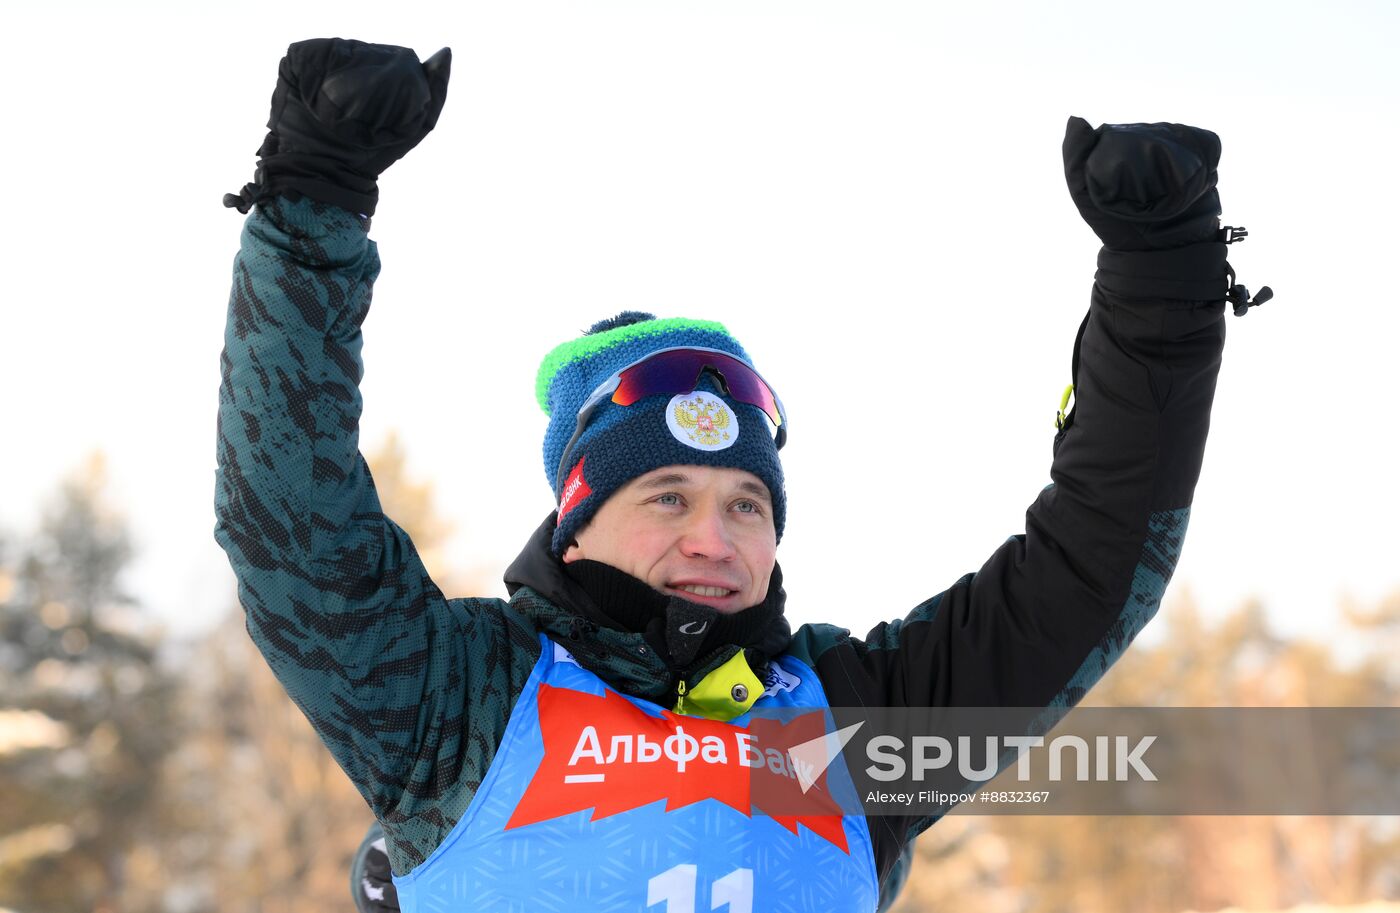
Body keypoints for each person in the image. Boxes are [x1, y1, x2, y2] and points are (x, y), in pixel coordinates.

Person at [215, 38, 1261, 913]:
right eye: (665, 496)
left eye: (746, 503)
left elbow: (1091, 564)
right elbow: (291, 523)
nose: (713, 538)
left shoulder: (855, 730)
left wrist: (1159, 286)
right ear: (576, 522)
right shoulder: (461, 703)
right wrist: (312, 202)